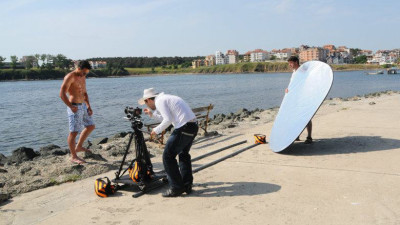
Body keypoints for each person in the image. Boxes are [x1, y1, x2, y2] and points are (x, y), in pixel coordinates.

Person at [139, 88, 198, 197]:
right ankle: (187, 185)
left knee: (167, 157)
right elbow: (167, 117)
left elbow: (167, 120)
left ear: (148, 100)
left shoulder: (160, 101)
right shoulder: (165, 98)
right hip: (193, 126)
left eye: (146, 103)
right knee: (183, 155)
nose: (147, 106)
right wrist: (152, 114)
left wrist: (155, 130)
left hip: (184, 128)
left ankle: (176, 188)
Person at [59, 60, 95, 164]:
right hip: (74, 106)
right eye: (83, 72)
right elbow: (62, 94)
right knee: (74, 132)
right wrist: (70, 106)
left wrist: (88, 106)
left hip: (83, 105)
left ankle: (78, 146)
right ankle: (73, 156)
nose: (84, 75)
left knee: (91, 126)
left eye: (86, 73)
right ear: (78, 68)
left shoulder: (83, 76)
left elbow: (84, 92)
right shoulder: (70, 76)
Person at [286, 56, 313, 144]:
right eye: (289, 63)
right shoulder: (294, 72)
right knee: (296, 117)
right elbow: (293, 84)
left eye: (291, 63)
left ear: (296, 62)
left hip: (304, 97)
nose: (289, 65)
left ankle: (309, 137)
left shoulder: (302, 71)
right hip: (295, 98)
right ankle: (297, 135)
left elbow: (307, 83)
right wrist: (288, 89)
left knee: (306, 117)